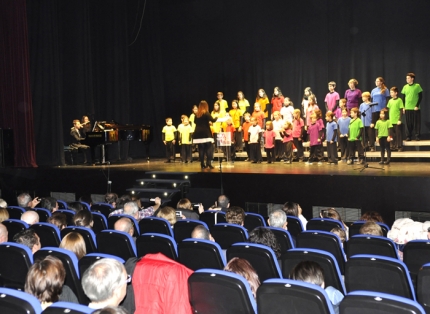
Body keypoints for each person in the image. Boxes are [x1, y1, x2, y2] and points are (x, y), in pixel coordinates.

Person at [193, 100, 224, 169]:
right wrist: (217, 117)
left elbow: (195, 122)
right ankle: (208, 163)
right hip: (205, 132)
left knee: (201, 149)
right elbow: (213, 120)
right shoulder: (206, 113)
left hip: (198, 132)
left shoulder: (197, 114)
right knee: (209, 148)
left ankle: (202, 164)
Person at [401, 72, 423, 141]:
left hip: (415, 108)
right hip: (407, 108)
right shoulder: (405, 87)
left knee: (416, 123)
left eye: (408, 78)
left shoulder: (417, 86)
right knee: (408, 123)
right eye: (406, 78)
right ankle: (408, 136)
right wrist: (404, 107)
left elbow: (420, 97)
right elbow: (403, 98)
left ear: (412, 79)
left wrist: (417, 105)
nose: (407, 79)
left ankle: (417, 136)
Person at [387, 87, 405, 151]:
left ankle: (399, 146)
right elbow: (388, 110)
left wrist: (400, 119)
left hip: (397, 121)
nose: (390, 93)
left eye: (392, 92)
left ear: (396, 93)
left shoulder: (399, 100)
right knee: (391, 135)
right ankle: (392, 145)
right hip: (391, 121)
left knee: (398, 134)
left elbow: (401, 110)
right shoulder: (390, 101)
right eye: (390, 92)